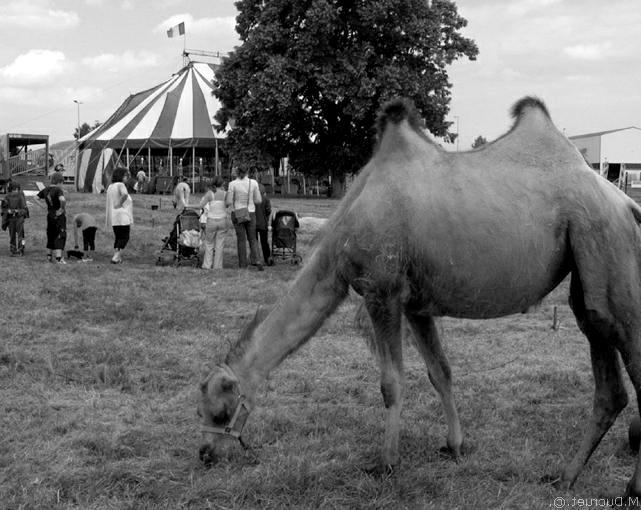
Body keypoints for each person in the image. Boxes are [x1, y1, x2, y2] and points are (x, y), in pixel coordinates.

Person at [226, 168, 263, 270]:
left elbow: (228, 202)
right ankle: (257, 260)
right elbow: (259, 200)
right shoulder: (254, 183)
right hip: (250, 212)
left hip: (238, 213)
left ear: (236, 173)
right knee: (252, 238)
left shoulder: (232, 184)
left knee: (241, 240)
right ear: (247, 172)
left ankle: (243, 264)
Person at [199, 176, 229, 270]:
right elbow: (228, 205)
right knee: (220, 245)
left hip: (211, 220)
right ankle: (218, 266)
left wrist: (187, 205)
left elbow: (201, 206)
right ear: (222, 184)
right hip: (222, 220)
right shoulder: (225, 193)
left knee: (209, 243)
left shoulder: (209, 193)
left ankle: (207, 265)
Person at [105, 166, 133, 264]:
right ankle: (116, 256)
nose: (127, 178)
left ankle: (117, 256)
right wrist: (120, 203)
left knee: (118, 237)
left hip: (114, 216)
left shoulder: (110, 186)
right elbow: (124, 194)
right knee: (125, 237)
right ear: (120, 176)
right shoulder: (120, 185)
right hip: (122, 215)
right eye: (125, 176)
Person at [37, 171, 67, 263]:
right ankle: (58, 259)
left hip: (50, 215)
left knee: (50, 234)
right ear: (59, 182)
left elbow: (36, 198)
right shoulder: (58, 190)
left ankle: (49, 257)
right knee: (60, 234)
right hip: (58, 216)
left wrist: (43, 206)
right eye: (62, 183)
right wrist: (61, 208)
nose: (62, 185)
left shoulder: (46, 189)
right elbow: (62, 199)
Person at [1, 181, 29, 256]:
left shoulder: (20, 196)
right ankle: (14, 249)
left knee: (20, 235)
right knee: (13, 235)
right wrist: (7, 211)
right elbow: (3, 208)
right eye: (15, 189)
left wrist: (16, 211)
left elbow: (24, 210)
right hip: (11, 219)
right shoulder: (7, 196)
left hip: (19, 218)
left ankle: (21, 249)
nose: (15, 191)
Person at [254, 181, 272, 265]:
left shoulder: (252, 199)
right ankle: (267, 258)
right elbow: (268, 211)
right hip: (263, 223)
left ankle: (255, 259)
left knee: (254, 242)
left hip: (253, 223)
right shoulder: (266, 199)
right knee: (264, 242)